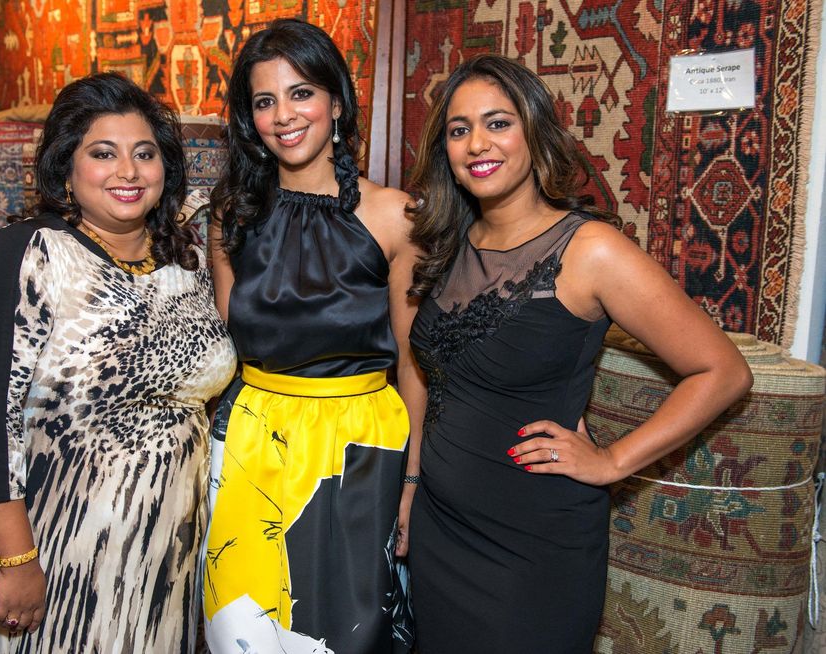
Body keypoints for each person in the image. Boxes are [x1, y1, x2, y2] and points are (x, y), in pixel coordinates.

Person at [404, 54, 753, 653]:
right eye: (459, 130)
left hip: (531, 548)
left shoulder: (590, 251)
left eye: (498, 123)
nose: (477, 144)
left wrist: (613, 460)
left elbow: (722, 371)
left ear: (534, 131)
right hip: (439, 528)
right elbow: (426, 379)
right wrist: (411, 484)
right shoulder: (444, 242)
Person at [0, 72, 236, 653]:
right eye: (103, 153)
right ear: (66, 168)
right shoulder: (28, 254)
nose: (128, 172)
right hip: (62, 548)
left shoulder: (185, 260)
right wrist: (16, 560)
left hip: (168, 549)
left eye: (144, 154)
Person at [202, 18, 423, 654]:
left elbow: (414, 365)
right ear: (249, 119)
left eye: (301, 93)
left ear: (336, 101)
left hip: (358, 448)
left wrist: (412, 481)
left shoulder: (394, 215)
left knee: (346, 634)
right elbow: (227, 349)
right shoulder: (232, 213)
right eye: (264, 101)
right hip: (250, 442)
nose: (283, 115)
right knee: (240, 628)